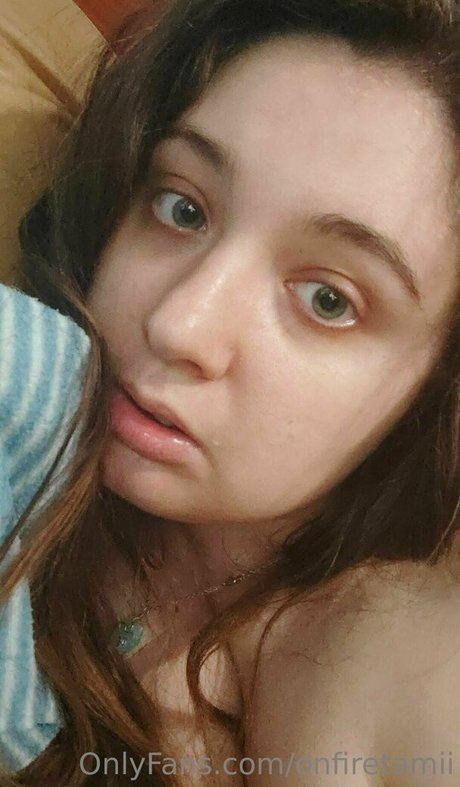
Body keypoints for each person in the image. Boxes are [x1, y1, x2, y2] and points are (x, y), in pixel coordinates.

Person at [1, 0, 460, 784]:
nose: (178, 322)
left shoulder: (362, 645)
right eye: (183, 208)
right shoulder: (25, 402)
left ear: (433, 388)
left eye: (328, 299)